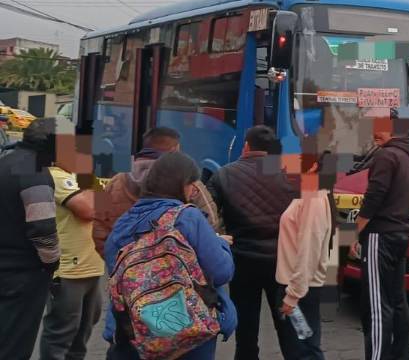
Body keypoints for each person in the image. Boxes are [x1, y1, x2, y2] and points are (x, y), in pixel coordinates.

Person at [103, 152, 236, 359]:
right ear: (182, 184)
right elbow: (221, 272)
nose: (193, 192)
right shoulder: (187, 217)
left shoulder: (122, 225)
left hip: (135, 333)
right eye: (192, 184)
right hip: (189, 332)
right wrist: (219, 243)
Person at [209, 125, 298, 360]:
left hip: (243, 260)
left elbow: (207, 215)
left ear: (246, 146)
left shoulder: (225, 174)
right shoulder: (289, 174)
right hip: (282, 262)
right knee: (288, 328)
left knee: (246, 330)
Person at [93, 127, 222, 255]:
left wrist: (118, 263)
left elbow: (98, 226)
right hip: (173, 271)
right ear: (174, 149)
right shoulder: (189, 184)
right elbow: (211, 227)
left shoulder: (116, 181)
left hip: (126, 270)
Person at [355, 120, 409, 360]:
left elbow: (375, 195)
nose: (373, 134)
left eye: (377, 128)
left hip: (379, 236)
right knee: (397, 302)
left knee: (376, 306)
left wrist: (358, 229)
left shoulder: (386, 157)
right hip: (401, 234)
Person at [0, 118, 61, 360]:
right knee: (15, 342)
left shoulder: (6, 163)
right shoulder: (35, 173)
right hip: (22, 275)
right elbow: (43, 227)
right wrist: (52, 263)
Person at [40, 153, 106, 360]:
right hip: (69, 269)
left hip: (92, 265)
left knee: (84, 330)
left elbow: (106, 207)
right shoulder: (55, 176)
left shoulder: (81, 176)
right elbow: (87, 210)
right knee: (61, 332)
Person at [275, 151, 335, 360]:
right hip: (298, 286)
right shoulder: (310, 195)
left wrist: (292, 296)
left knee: (303, 352)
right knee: (301, 349)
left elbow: (309, 249)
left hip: (301, 289)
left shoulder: (315, 199)